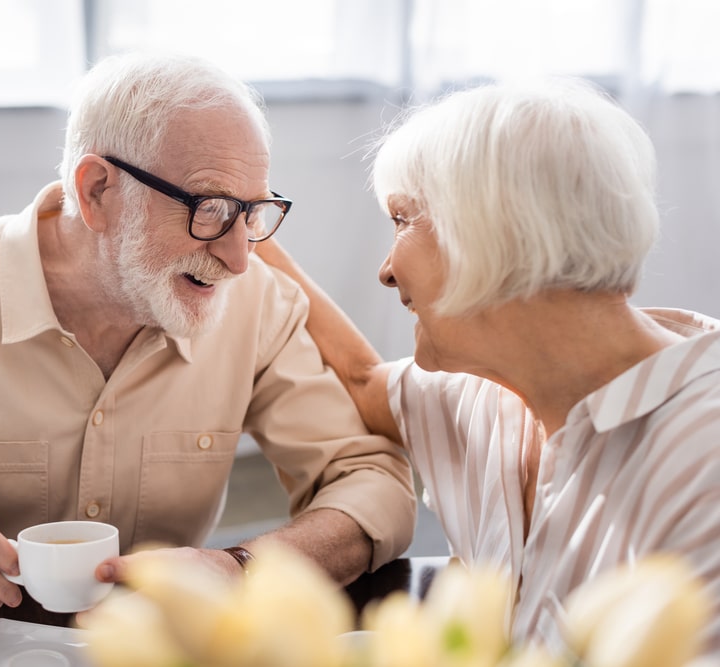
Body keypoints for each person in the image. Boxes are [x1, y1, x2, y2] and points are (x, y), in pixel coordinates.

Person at [0, 52, 415, 614]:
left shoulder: (257, 304)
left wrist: (245, 564)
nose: (241, 256)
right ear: (97, 191)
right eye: (211, 209)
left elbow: (372, 482)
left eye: (253, 212)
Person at [257, 77, 720, 655]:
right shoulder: (479, 396)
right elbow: (361, 380)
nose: (387, 270)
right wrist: (246, 230)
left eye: (402, 221)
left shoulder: (703, 459)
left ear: (492, 232)